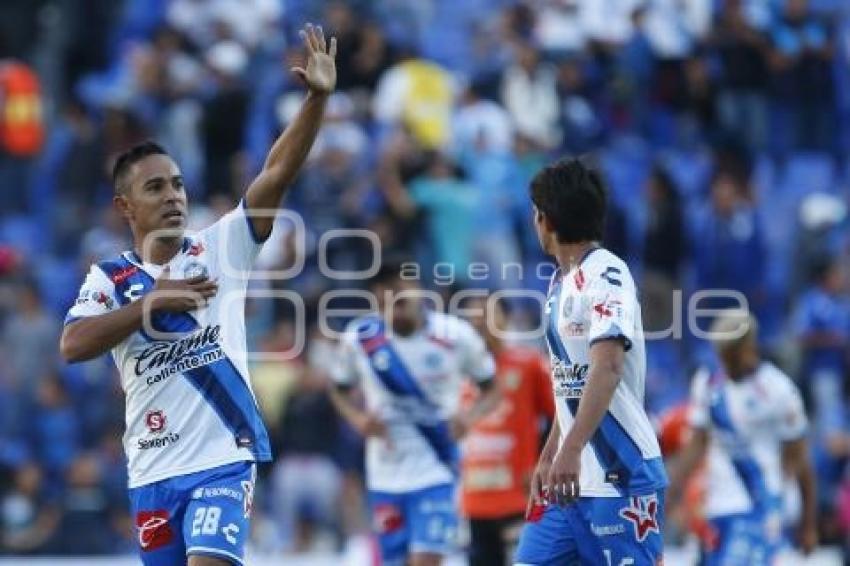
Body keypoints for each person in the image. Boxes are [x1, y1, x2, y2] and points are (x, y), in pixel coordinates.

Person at [58, 23, 337, 566]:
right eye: (155, 188)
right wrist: (151, 305)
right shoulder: (110, 280)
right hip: (152, 472)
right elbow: (72, 346)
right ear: (125, 207)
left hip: (223, 459)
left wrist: (315, 102)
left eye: (178, 184)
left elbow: (275, 172)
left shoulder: (222, 246)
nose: (173, 197)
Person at [514, 157, 668, 566]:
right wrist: (551, 453)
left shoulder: (608, 274)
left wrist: (571, 447)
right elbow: (571, 385)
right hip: (570, 477)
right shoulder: (558, 283)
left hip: (621, 474)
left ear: (546, 220)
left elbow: (608, 367)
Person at [329, 261, 500, 566]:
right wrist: (358, 420)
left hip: (437, 467)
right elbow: (338, 387)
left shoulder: (454, 335)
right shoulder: (361, 339)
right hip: (385, 473)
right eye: (384, 297)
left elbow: (492, 387)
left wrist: (468, 418)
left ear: (418, 291)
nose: (394, 304)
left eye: (400, 293)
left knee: (425, 560)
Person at [668, 309, 818, 565]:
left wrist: (808, 525)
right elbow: (696, 447)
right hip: (718, 506)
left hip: (761, 507)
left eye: (731, 355)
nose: (725, 362)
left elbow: (801, 462)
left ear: (748, 347)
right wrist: (669, 494)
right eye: (721, 355)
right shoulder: (708, 384)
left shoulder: (779, 390)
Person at [459, 296, 555, 566]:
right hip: (474, 499)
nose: (479, 322)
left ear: (505, 320)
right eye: (473, 317)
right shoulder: (459, 368)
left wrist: (542, 464)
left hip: (519, 497)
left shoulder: (528, 364)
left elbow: (559, 417)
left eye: (487, 315)